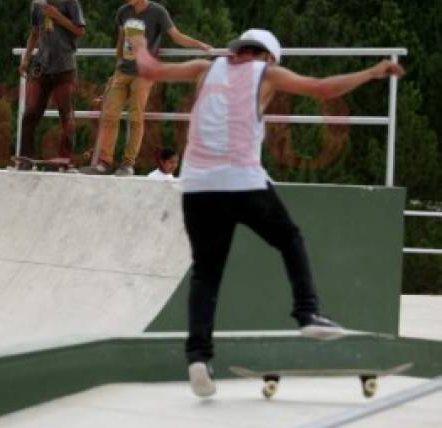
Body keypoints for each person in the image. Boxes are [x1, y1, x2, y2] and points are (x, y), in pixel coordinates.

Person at [134, 28, 405, 398]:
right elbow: (322, 89)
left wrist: (136, 43)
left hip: (197, 185)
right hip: (242, 182)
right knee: (289, 238)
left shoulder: (204, 67)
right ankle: (307, 313)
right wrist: (371, 73)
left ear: (237, 50)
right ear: (269, 57)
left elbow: (149, 69)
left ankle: (198, 357)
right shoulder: (266, 72)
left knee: (206, 274)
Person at [91, 0, 211, 176]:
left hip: (144, 73)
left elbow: (176, 36)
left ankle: (128, 163)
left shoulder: (157, 12)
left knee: (136, 117)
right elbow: (120, 41)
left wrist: (199, 44)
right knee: (110, 114)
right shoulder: (123, 12)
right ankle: (105, 160)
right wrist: (117, 67)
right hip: (123, 71)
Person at [18, 0, 86, 164]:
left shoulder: (70, 2)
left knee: (66, 115)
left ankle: (65, 159)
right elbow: (34, 33)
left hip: (64, 67)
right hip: (42, 66)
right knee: (30, 113)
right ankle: (25, 157)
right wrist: (25, 58)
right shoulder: (37, 5)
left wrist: (58, 17)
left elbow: (79, 31)